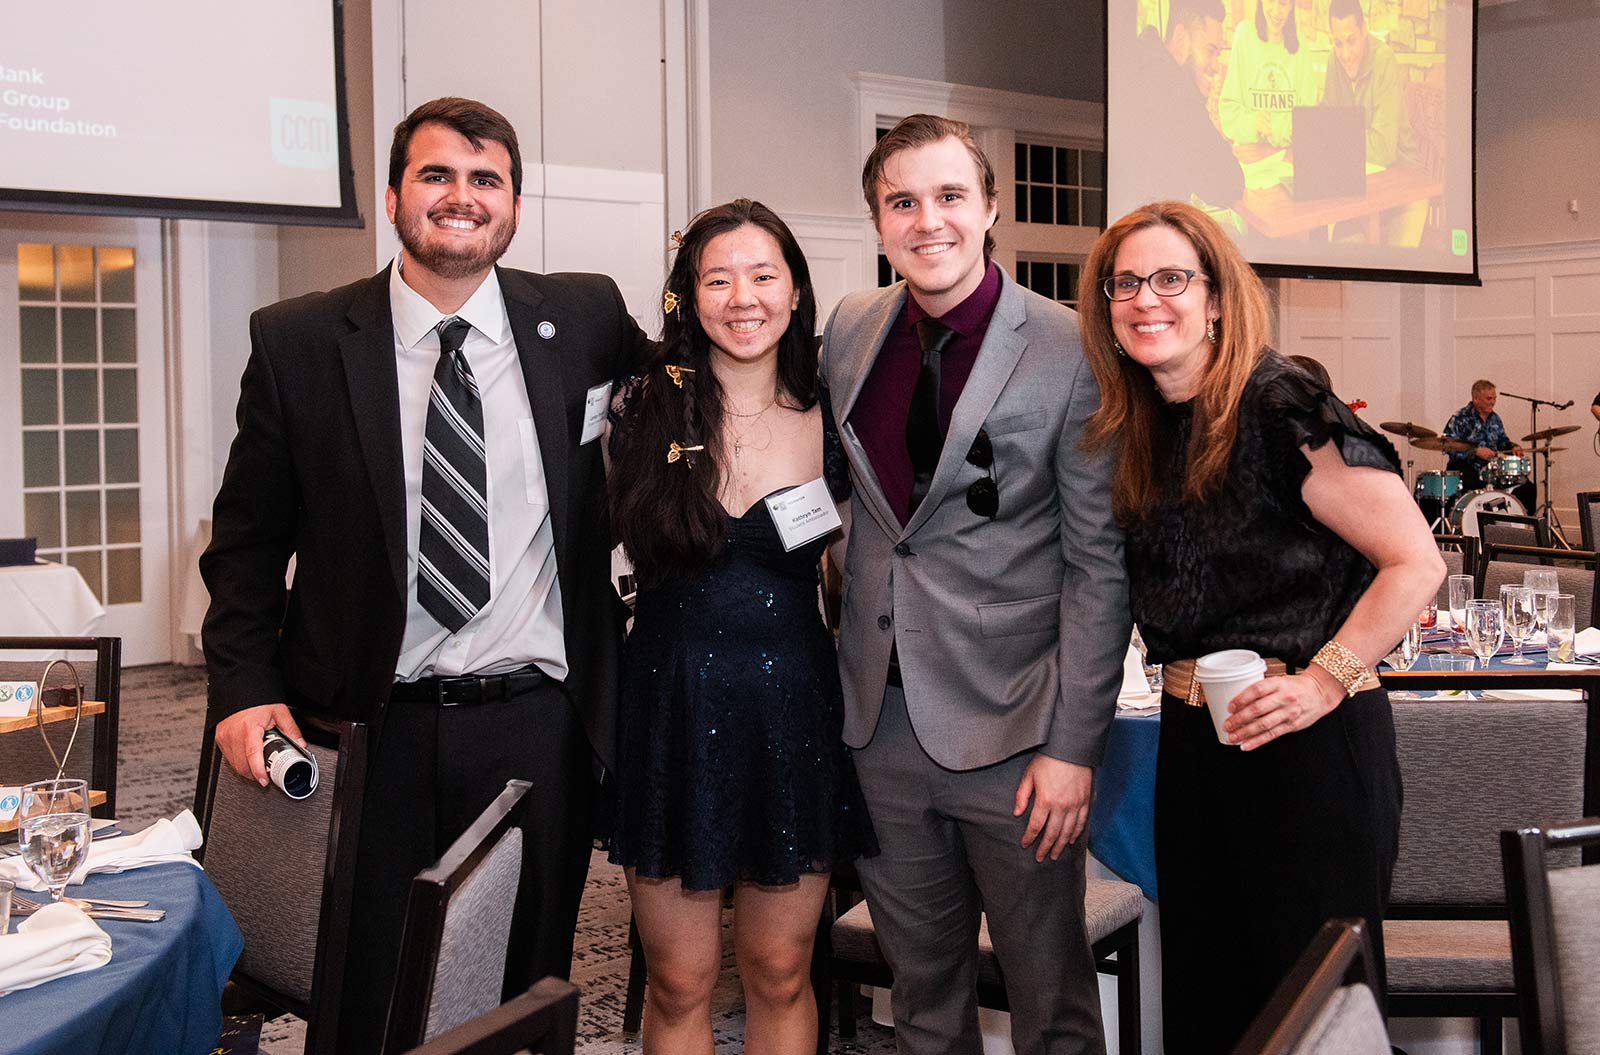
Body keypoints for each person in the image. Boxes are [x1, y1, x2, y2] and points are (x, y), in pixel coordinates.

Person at [200, 96, 651, 1053]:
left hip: (537, 724)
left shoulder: (582, 317)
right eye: (438, 175)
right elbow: (244, 545)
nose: (461, 197)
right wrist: (242, 686)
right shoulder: (300, 342)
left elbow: (698, 396)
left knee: (522, 996)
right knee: (365, 992)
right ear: (397, 194)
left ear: (515, 206)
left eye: (486, 179)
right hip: (369, 724)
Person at [1078, 199, 1444, 1053]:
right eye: (1125, 284)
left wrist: (1323, 683)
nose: (1145, 300)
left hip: (1308, 749)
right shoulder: (1143, 426)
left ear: (1216, 298)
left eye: (1171, 278)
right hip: (1194, 745)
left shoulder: (1281, 403)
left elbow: (1415, 562)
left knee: (1316, 1015)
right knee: (1214, 1006)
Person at [821, 113, 1130, 1055]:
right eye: (902, 201)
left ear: (989, 207)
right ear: (877, 221)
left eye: (951, 195)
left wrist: (1073, 748)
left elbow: (1097, 566)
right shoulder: (849, 329)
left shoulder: (1074, 347)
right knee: (921, 1000)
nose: (928, 221)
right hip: (880, 725)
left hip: (1018, 736)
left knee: (1051, 1002)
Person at [605, 199, 876, 1053]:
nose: (743, 296)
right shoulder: (641, 409)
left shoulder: (836, 416)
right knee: (680, 980)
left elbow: (858, 574)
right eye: (717, 278)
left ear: (795, 291)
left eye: (763, 275)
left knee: (780, 971)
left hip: (793, 718)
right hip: (672, 712)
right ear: (689, 296)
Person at [1323, 0, 1427, 245]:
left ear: (1364, 31)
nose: (1345, 53)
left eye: (1351, 41)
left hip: (1405, 187)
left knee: (1395, 266)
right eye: (1338, 43)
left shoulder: (1385, 61)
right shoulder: (1333, 61)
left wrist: (1336, 141)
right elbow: (1325, 126)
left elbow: (1382, 150)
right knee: (1342, 249)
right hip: (1360, 185)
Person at [1122, 0, 1244, 209]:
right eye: (1209, 50)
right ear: (1180, 38)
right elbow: (1227, 185)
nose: (1215, 66)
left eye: (1219, 53)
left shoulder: (1143, 63)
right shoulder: (1172, 90)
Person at [1218, 0, 1318, 149]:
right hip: (1251, 158)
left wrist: (1275, 129)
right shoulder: (1245, 35)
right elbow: (1228, 114)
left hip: (1287, 158)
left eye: (1283, 3)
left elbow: (1308, 118)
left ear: (1291, 6)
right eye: (1271, 1)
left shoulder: (1300, 44)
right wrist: (1253, 123)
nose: (1277, 11)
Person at [1442, 380, 1529, 504]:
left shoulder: (1495, 418)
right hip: (1465, 467)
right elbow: (1448, 446)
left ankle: (1520, 522)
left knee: (1526, 487)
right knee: (1472, 483)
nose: (1493, 402)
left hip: (1490, 469)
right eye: (1489, 399)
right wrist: (1475, 452)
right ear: (1476, 399)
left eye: (1494, 398)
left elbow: (1502, 442)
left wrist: (1513, 447)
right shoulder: (1460, 417)